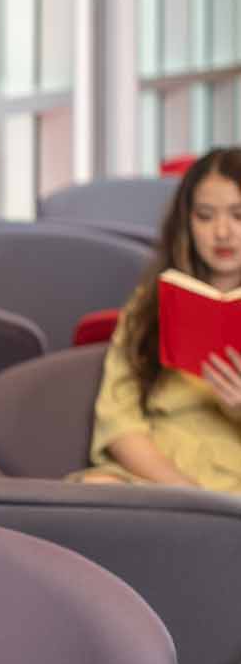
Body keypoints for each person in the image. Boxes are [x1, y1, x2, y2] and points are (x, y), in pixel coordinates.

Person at [81, 147, 241, 489]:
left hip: (234, 478)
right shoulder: (149, 304)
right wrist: (182, 491)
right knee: (98, 487)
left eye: (238, 215)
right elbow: (118, 422)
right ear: (187, 223)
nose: (222, 232)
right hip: (157, 473)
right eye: (205, 216)